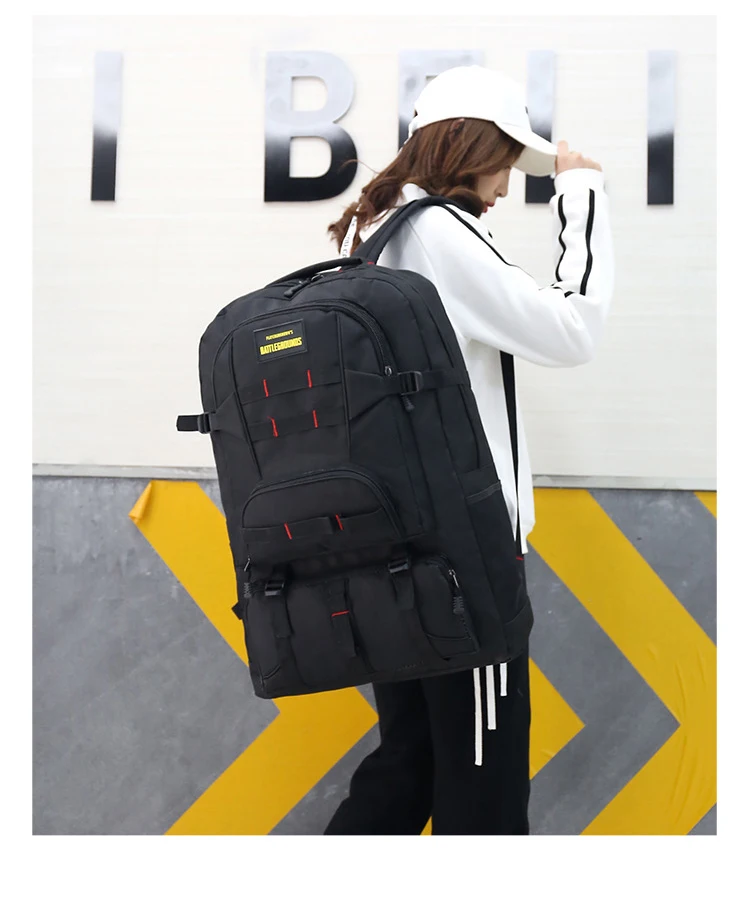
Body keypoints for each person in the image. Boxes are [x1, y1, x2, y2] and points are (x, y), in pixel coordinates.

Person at [323, 65, 614, 835]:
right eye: (506, 161)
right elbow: (572, 328)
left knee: (409, 768)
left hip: (397, 555)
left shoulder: (377, 230)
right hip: (463, 562)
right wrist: (581, 193)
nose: (507, 185)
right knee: (484, 795)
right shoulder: (438, 235)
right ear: (473, 148)